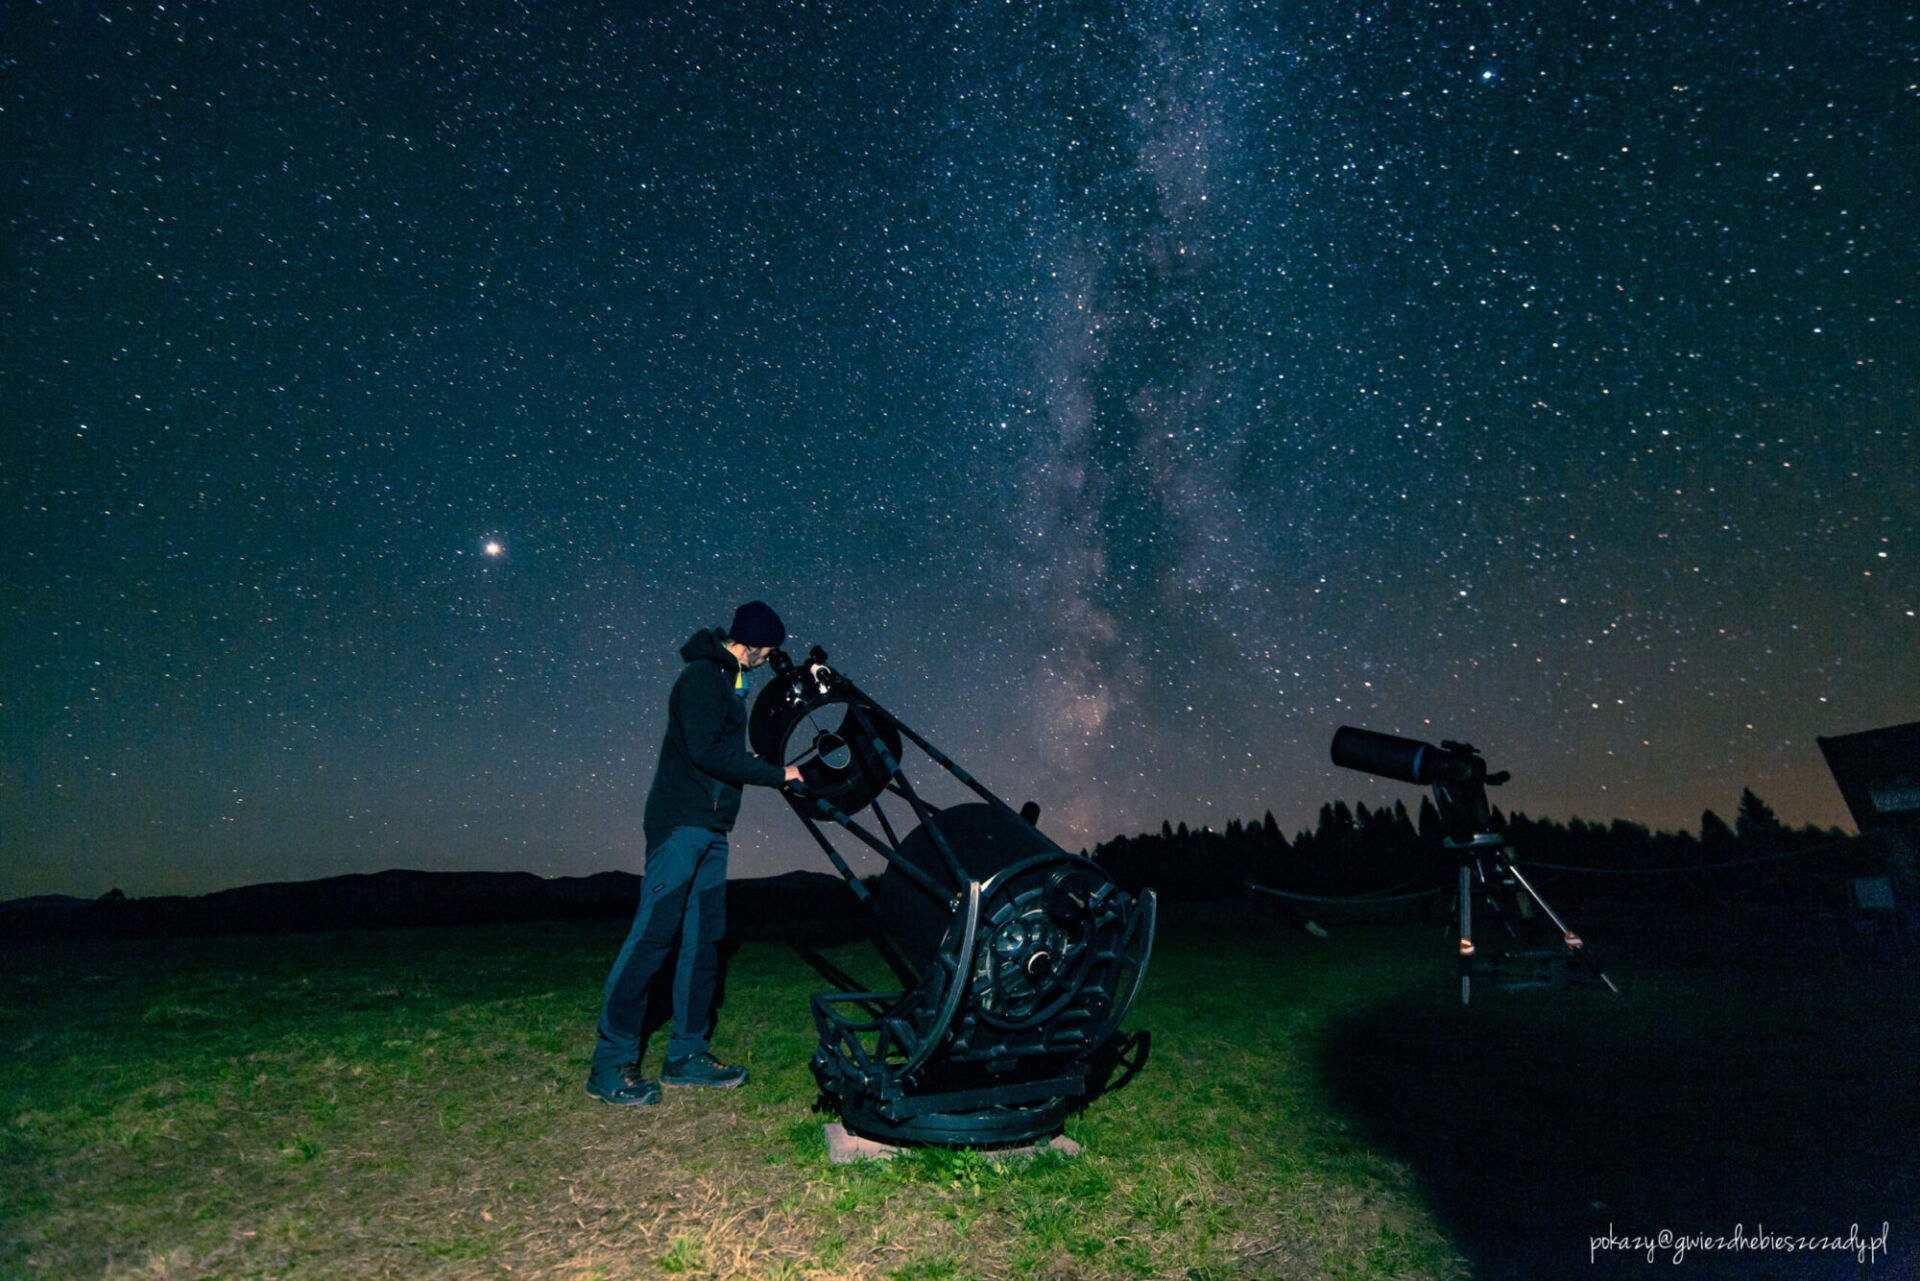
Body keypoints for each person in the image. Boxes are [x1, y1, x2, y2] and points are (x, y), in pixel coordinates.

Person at [586, 600, 803, 1105]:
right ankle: (611, 1063)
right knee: (652, 939)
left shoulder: (731, 683)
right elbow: (708, 753)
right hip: (679, 827)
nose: (769, 658)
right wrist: (778, 774)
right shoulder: (703, 679)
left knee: (704, 941)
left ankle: (686, 1056)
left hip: (710, 830)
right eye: (767, 649)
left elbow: (722, 754)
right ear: (749, 640)